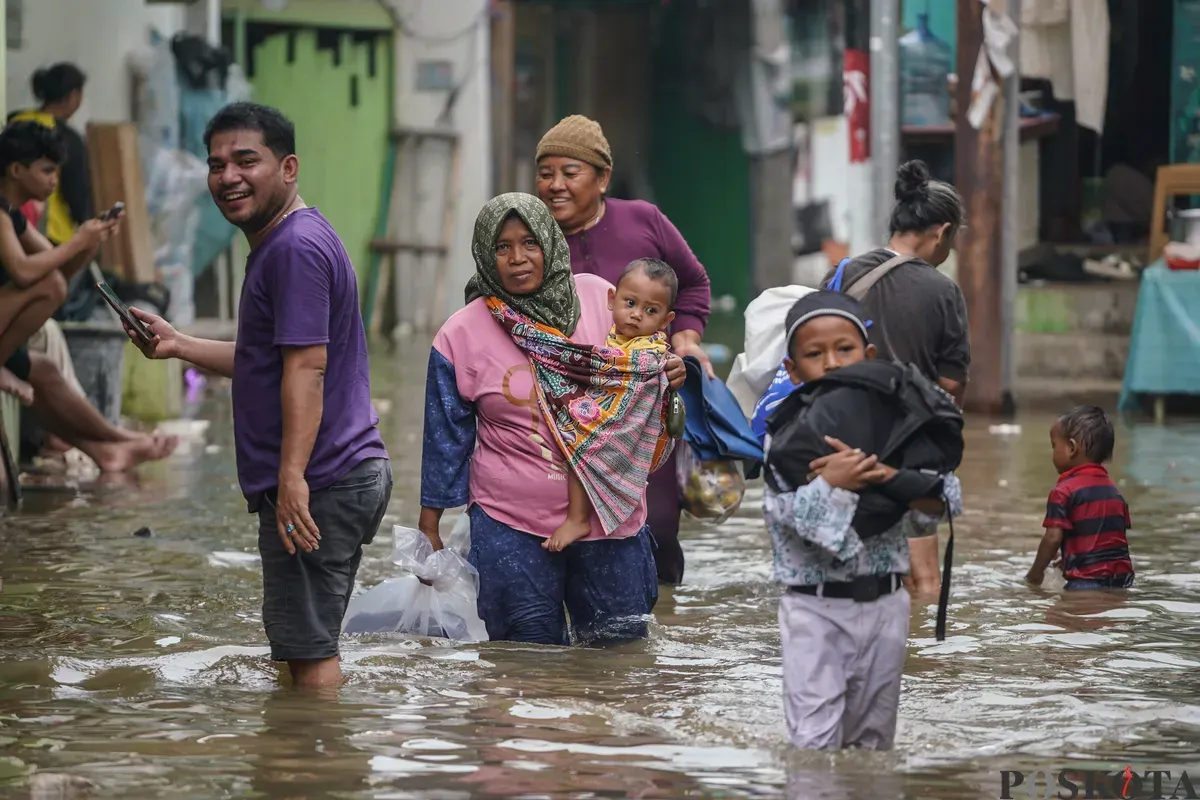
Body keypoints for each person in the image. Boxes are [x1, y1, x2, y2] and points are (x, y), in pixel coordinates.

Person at [124, 102, 392, 688]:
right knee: (303, 647)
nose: (228, 177)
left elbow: (307, 369)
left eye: (246, 161)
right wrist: (179, 345)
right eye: (216, 164)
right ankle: (306, 740)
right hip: (340, 473)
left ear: (288, 167)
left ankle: (314, 744)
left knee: (310, 656)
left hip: (321, 479)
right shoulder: (291, 239)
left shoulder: (293, 249)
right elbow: (266, 359)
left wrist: (291, 477)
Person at [418, 192, 685, 645]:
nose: (517, 258)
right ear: (484, 253)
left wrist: (673, 370)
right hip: (510, 523)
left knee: (619, 658)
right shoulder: (460, 333)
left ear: (550, 243)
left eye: (530, 243)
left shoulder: (600, 297)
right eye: (502, 247)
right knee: (524, 661)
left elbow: (641, 362)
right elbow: (445, 439)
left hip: (609, 517)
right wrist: (430, 528)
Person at [764, 291, 962, 750]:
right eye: (815, 354)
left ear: (869, 355)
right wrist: (831, 483)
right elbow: (787, 520)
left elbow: (945, 501)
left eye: (845, 349)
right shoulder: (787, 438)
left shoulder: (901, 425)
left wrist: (890, 476)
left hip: (887, 606)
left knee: (874, 744)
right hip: (815, 611)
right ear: (793, 370)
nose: (832, 363)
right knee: (813, 744)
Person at [534, 114, 712, 584]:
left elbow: (693, 283)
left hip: (645, 402)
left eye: (569, 172)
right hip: (568, 408)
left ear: (603, 178)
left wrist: (686, 339)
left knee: (659, 524)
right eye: (545, 173)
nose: (555, 185)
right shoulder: (532, 240)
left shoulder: (643, 220)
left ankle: (663, 615)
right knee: (564, 525)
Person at [821, 159, 970, 600]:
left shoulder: (843, 274)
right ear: (942, 232)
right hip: (911, 449)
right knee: (922, 579)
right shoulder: (943, 291)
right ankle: (919, 642)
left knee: (853, 571)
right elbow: (952, 385)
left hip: (841, 445)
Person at [549, 257, 678, 552]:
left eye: (651, 310)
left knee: (580, 439)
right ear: (612, 299)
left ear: (665, 320)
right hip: (610, 417)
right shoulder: (611, 338)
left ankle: (578, 519)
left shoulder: (649, 351)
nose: (636, 315)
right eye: (630, 303)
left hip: (626, 430)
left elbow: (635, 385)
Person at [0, 121, 115, 402]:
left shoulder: (12, 215)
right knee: (50, 286)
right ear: (17, 170)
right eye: (46, 170)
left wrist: (89, 243)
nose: (54, 180)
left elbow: (59, 268)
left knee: (53, 284)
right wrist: (76, 242)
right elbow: (23, 271)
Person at [1026, 406, 1134, 591]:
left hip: (1085, 583)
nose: (1053, 452)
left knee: (1066, 610)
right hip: (1122, 581)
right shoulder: (1115, 493)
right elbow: (1109, 540)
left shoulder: (1063, 491)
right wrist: (1072, 558)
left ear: (1071, 448)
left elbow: (1052, 538)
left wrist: (1035, 574)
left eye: (1054, 445)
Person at [10, 64, 92, 246]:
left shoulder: (14, 121)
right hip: (50, 233)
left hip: (10, 227)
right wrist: (87, 224)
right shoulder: (67, 138)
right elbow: (77, 193)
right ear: (74, 96)